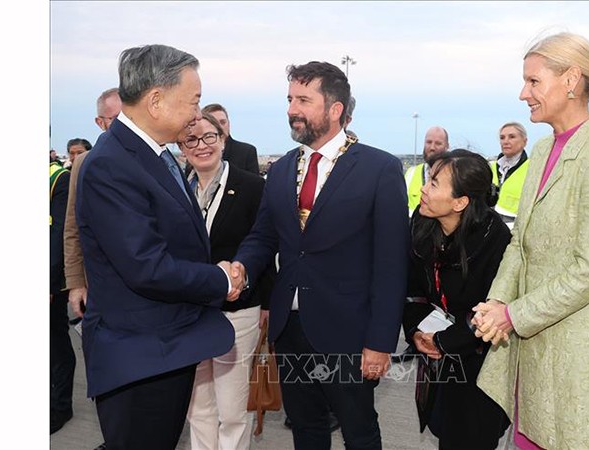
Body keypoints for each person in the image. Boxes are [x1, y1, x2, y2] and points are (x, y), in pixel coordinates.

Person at [471, 32, 589, 450]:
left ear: (570, 79)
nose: (523, 93)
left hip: (570, 359)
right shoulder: (545, 150)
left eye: (533, 81)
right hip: (529, 355)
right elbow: (518, 243)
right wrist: (496, 304)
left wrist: (513, 315)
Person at [231, 61, 409, 450]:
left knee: (359, 430)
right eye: (290, 99)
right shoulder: (280, 171)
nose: (292, 109)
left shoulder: (380, 168)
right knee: (306, 428)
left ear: (335, 109)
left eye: (303, 100)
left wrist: (381, 341)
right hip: (290, 327)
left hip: (349, 331)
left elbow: (392, 264)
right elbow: (263, 236)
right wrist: (241, 267)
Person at [76, 44, 242, 450]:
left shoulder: (152, 156)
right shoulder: (112, 164)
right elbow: (146, 265)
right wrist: (219, 279)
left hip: (164, 348)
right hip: (140, 358)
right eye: (193, 101)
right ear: (155, 100)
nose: (197, 114)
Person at [403, 149, 511, 450]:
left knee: (471, 435)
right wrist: (416, 332)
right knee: (444, 430)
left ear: (460, 202)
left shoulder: (495, 239)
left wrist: (443, 342)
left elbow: (491, 310)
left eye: (435, 184)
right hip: (438, 349)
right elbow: (412, 286)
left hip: (480, 362)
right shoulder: (422, 222)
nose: (424, 189)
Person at [180, 111, 275, 450]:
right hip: (188, 312)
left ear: (222, 140)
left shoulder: (251, 186)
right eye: (191, 139)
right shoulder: (175, 186)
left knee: (233, 409)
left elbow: (264, 243)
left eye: (209, 136)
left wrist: (262, 296)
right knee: (199, 405)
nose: (201, 145)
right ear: (181, 146)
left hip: (237, 312)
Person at [63, 87, 122, 450]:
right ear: (100, 122)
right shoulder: (84, 164)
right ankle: (111, 436)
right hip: (97, 287)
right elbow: (72, 226)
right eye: (113, 120)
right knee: (102, 368)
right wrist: (75, 283)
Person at [50, 158, 75, 434]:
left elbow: (58, 235)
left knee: (55, 348)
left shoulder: (58, 178)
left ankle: (60, 406)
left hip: (51, 281)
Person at [202, 103, 260, 175]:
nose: (219, 127)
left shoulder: (246, 152)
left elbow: (255, 184)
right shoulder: (198, 154)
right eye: (214, 123)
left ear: (229, 124)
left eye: (223, 122)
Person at [489, 122, 529, 223]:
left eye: (512, 137)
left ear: (524, 141)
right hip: (491, 225)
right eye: (502, 138)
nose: (505, 141)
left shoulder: (532, 168)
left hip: (516, 226)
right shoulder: (491, 166)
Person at [405, 126, 449, 216]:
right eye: (429, 142)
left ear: (447, 146)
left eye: (438, 143)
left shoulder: (453, 176)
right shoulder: (410, 173)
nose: (432, 147)